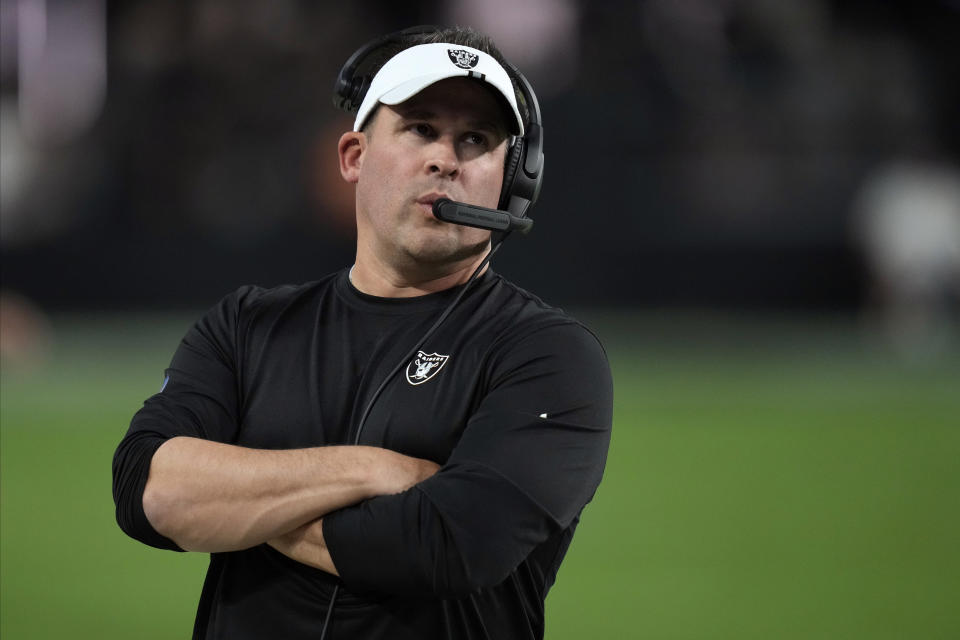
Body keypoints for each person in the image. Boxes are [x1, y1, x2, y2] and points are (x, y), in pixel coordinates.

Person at [112, 25, 613, 640]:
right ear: (353, 157)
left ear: (510, 181)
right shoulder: (245, 326)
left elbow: (448, 545)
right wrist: (373, 470)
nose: (444, 159)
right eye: (420, 128)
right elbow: (147, 492)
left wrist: (229, 503)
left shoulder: (550, 355)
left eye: (476, 140)